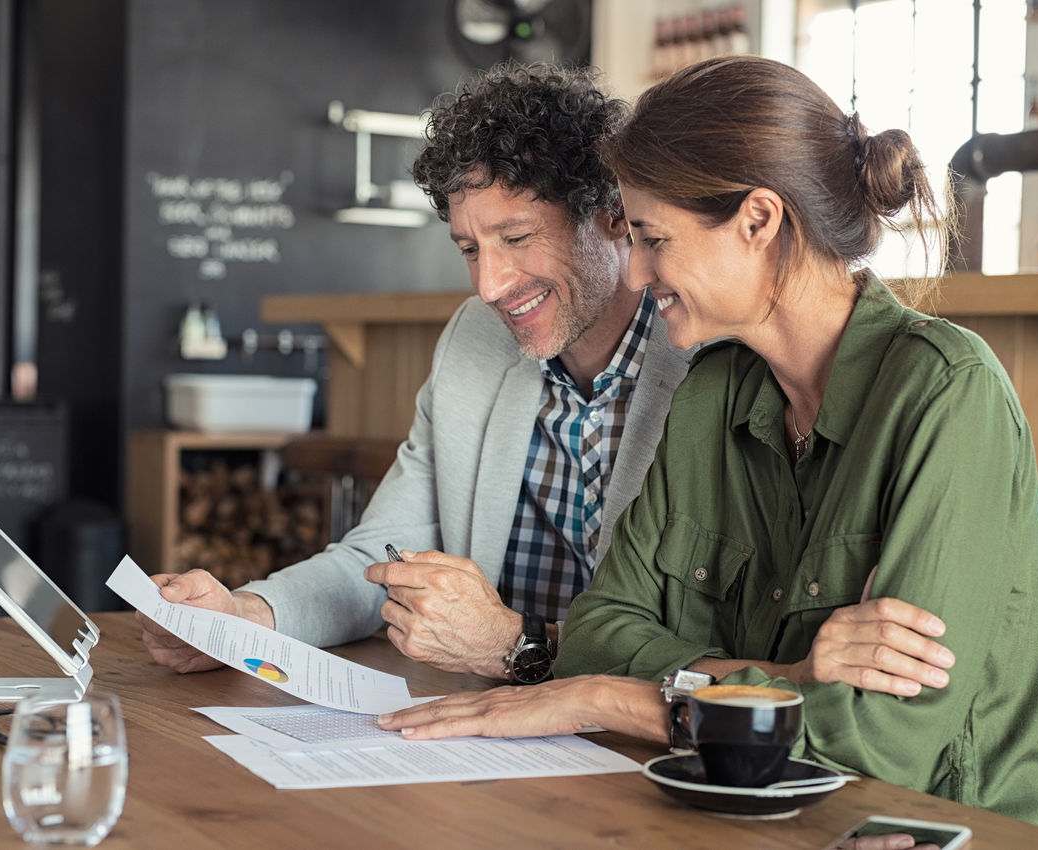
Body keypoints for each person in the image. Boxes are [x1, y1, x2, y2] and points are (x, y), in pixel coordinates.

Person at [378, 55, 1038, 836]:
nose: (637, 274)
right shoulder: (712, 391)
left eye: (652, 239)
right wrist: (789, 677)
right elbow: (599, 632)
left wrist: (613, 699)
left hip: (951, 827)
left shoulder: (949, 394)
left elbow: (882, 739)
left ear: (758, 220)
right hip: (747, 815)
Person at [137, 62, 692, 681]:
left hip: (648, 734)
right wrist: (243, 616)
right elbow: (383, 556)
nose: (489, 285)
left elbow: (706, 639)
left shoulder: (707, 363)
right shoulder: (472, 341)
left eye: (517, 237)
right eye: (470, 248)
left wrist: (522, 645)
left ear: (613, 214)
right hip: (497, 724)